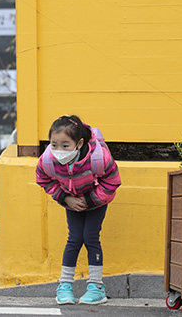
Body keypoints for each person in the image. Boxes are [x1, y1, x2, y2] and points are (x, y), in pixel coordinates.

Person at [35, 115, 121, 306]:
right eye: (54, 144)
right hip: (71, 201)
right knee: (74, 238)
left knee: (90, 237)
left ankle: (96, 287)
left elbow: (113, 181)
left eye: (65, 145)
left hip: (96, 201)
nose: (59, 150)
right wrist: (65, 198)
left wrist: (89, 200)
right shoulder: (48, 159)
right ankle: (64, 285)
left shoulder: (98, 158)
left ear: (79, 143)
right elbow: (42, 179)